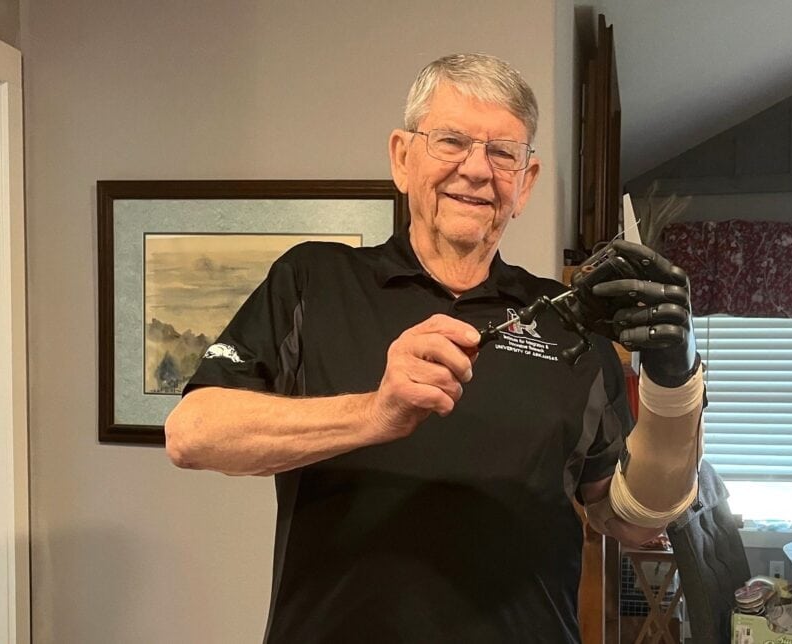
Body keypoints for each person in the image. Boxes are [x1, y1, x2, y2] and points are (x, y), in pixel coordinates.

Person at [165, 53, 704, 643]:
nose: (476, 170)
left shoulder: (570, 320)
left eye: (503, 152)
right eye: (450, 141)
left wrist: (673, 386)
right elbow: (193, 432)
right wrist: (376, 412)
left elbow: (628, 519)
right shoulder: (314, 281)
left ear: (525, 182)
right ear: (402, 157)